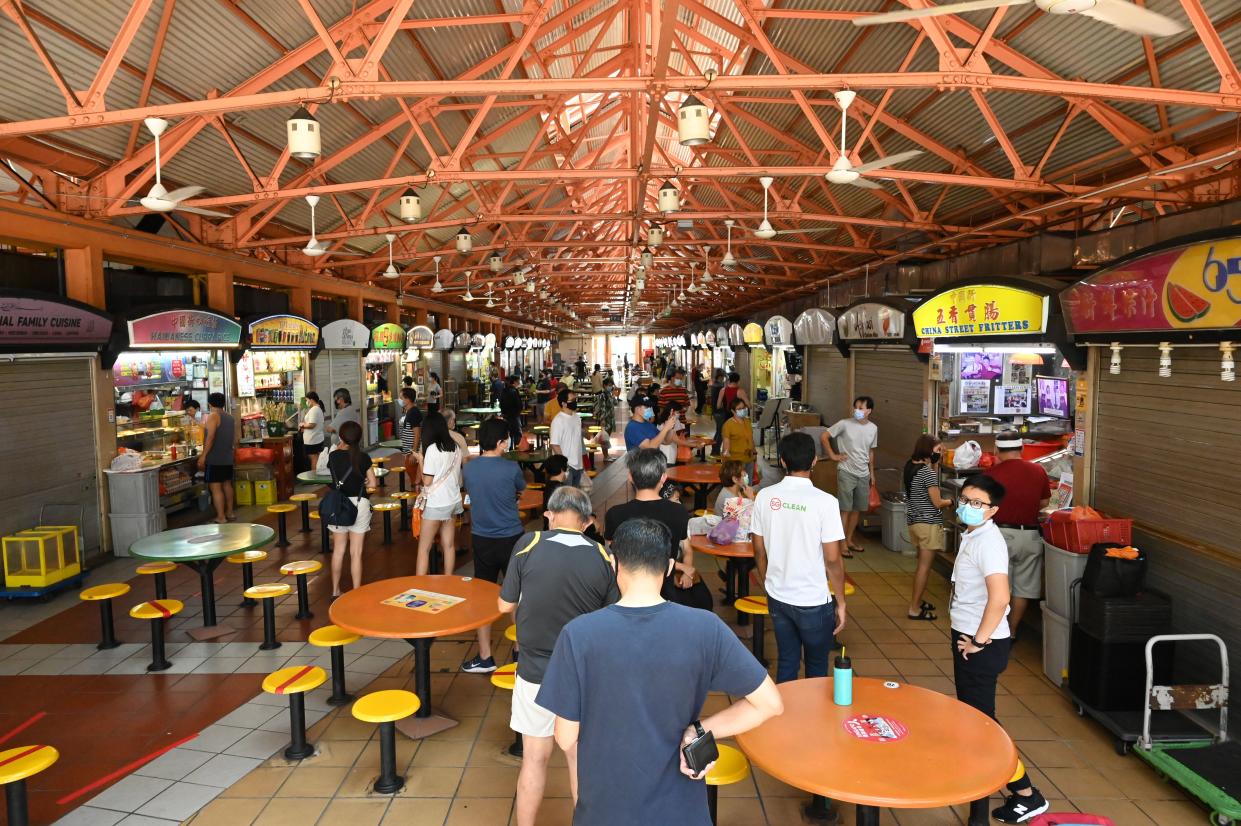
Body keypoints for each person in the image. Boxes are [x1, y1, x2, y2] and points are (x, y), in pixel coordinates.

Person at [537, 517, 783, 826]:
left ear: (614, 564)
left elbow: (564, 737)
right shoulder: (705, 627)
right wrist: (700, 730)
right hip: (681, 810)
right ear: (668, 567)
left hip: (605, 807)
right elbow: (770, 703)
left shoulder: (578, 634)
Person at [498, 485, 618, 826]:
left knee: (534, 759)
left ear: (550, 515)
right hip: (582, 676)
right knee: (579, 759)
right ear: (587, 521)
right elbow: (613, 619)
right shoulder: (601, 556)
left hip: (534, 673)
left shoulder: (528, 544)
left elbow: (504, 604)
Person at [949, 475, 1049, 824]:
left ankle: (1026, 793)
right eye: (965, 499)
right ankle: (982, 771)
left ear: (993, 510)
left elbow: (1001, 597)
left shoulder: (988, 542)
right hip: (972, 635)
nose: (968, 507)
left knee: (984, 723)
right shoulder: (973, 534)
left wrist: (979, 640)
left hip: (982, 642)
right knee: (975, 717)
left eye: (977, 503)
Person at [751, 432, 847, 683]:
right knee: (816, 667)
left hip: (778, 596)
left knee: (787, 661)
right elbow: (833, 559)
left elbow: (759, 551)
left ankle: (786, 719)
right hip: (813, 599)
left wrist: (767, 582)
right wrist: (841, 601)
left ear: (782, 461)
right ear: (815, 461)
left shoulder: (764, 497)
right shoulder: (826, 502)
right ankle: (812, 720)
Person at [604, 448, 710, 610]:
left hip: (625, 596)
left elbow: (610, 553)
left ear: (630, 477)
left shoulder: (614, 514)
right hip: (665, 594)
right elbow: (684, 548)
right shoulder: (678, 512)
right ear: (663, 478)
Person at [461, 418, 527, 674]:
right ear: (501, 442)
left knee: (484, 598)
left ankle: (485, 657)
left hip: (482, 539)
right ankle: (520, 652)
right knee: (517, 596)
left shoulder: (470, 469)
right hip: (512, 538)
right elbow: (519, 489)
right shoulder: (511, 468)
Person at [984, 432, 1051, 637]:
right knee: (1024, 588)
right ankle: (1012, 631)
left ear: (996, 450)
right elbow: (1044, 503)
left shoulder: (991, 475)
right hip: (1030, 536)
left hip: (1000, 535)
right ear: (1021, 449)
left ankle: (997, 629)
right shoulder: (1038, 470)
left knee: (999, 586)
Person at [904, 434, 953, 621]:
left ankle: (918, 600)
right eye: (938, 450)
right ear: (928, 450)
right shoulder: (927, 473)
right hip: (928, 524)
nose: (940, 454)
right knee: (924, 568)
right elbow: (937, 502)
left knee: (920, 566)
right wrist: (951, 501)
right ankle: (914, 608)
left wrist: (933, 465)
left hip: (914, 522)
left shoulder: (910, 465)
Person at [326, 420, 377, 597]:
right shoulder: (363, 458)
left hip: (338, 505)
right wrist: (363, 481)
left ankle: (335, 591)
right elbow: (373, 484)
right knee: (356, 552)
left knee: (339, 550)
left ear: (341, 437)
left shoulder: (333, 456)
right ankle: (356, 591)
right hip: (359, 505)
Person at [823, 396, 878, 555]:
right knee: (845, 509)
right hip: (846, 471)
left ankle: (849, 539)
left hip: (863, 473)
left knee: (857, 509)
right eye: (856, 407)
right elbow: (824, 437)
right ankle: (842, 545)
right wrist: (833, 456)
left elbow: (870, 451)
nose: (857, 410)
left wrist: (872, 473)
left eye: (861, 408)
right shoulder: (844, 424)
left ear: (869, 411)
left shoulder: (873, 428)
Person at [417, 411, 463, 576]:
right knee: (449, 545)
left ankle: (419, 587)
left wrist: (421, 461)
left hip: (436, 504)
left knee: (424, 548)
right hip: (453, 501)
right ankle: (448, 581)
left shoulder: (432, 450)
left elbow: (427, 481)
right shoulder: (455, 448)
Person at [197, 392, 236, 524]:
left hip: (215, 457)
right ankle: (230, 512)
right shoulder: (230, 417)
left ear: (209, 403)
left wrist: (204, 455)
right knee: (227, 484)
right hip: (227, 456)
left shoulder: (213, 416)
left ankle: (221, 517)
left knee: (215, 487)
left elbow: (211, 437)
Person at [549, 386, 584, 487]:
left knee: (575, 497)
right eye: (572, 400)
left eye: (575, 399)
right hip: (567, 467)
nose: (574, 402)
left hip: (578, 465)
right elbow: (555, 445)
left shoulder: (576, 417)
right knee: (567, 498)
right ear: (564, 403)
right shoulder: (558, 421)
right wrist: (564, 466)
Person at [713, 371, 748, 455]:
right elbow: (749, 405)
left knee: (721, 434)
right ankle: (735, 452)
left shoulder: (723, 390)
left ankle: (716, 452)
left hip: (725, 416)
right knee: (736, 435)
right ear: (738, 381)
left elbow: (718, 405)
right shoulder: (740, 391)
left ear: (729, 380)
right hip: (736, 417)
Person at [719, 398, 756, 473]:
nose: (743, 410)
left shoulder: (747, 421)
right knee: (737, 483)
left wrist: (755, 454)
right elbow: (726, 446)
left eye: (744, 408)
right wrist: (726, 463)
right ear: (733, 411)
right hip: (736, 462)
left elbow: (751, 439)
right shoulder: (728, 425)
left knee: (748, 484)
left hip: (749, 459)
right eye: (739, 409)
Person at [398, 387, 423, 488]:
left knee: (416, 480)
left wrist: (414, 452)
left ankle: (419, 498)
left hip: (412, 452)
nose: (400, 400)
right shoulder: (409, 411)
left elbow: (417, 433)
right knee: (413, 476)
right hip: (409, 451)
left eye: (401, 398)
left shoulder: (413, 413)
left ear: (408, 399)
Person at [540, 454, 570, 529]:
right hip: (559, 530)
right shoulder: (562, 490)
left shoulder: (548, 485)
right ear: (562, 469)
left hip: (548, 527)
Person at [592, 377, 617, 458]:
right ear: (604, 385)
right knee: (604, 439)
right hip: (605, 420)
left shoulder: (609, 395)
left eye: (611, 385)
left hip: (610, 419)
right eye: (609, 385)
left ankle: (606, 455)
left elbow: (615, 403)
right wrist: (602, 420)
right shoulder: (603, 396)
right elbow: (602, 408)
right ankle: (605, 456)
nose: (610, 387)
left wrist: (614, 395)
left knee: (606, 438)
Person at [300, 391, 326, 465]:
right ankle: (315, 475)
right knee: (316, 458)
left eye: (307, 400)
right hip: (315, 439)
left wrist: (302, 425)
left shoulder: (314, 409)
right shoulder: (317, 409)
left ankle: (314, 476)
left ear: (311, 400)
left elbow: (312, 425)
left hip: (313, 440)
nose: (307, 402)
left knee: (314, 458)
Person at [499, 374, 525, 448]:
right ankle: (517, 450)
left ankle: (510, 449)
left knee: (510, 433)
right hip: (514, 416)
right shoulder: (514, 391)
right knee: (517, 433)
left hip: (506, 416)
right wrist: (518, 411)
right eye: (518, 381)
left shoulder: (504, 390)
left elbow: (501, 403)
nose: (519, 382)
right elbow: (518, 405)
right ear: (515, 382)